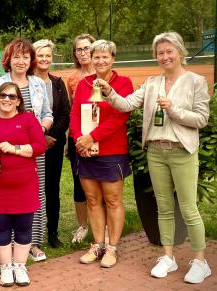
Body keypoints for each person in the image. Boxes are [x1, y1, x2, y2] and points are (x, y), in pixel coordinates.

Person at [98, 32, 211, 283]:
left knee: (189, 208)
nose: (165, 56)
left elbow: (201, 119)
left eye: (169, 51)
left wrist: (174, 110)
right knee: (164, 207)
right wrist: (109, 92)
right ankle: (168, 257)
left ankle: (201, 261)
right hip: (156, 152)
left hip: (182, 151)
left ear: (180, 52)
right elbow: (126, 104)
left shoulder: (196, 82)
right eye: (160, 53)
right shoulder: (151, 83)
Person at [0, 38, 53, 262]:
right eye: (16, 57)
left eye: (25, 57)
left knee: (35, 194)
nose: (21, 61)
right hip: (2, 151)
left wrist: (39, 129)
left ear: (30, 60)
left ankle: (31, 243)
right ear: (9, 60)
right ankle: (9, 243)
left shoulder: (38, 83)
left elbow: (48, 114)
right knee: (6, 197)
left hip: (31, 149)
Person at [0, 82, 46, 286]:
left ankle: (20, 266)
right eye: (3, 96)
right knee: (1, 227)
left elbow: (40, 146)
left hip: (25, 185)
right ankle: (6, 267)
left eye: (12, 97)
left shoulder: (28, 119)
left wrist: (15, 148)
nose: (7, 99)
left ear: (18, 101)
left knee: (24, 227)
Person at [71, 40, 133, 268]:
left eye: (105, 57)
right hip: (86, 150)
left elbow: (120, 116)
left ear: (113, 59)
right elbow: (75, 114)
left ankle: (112, 248)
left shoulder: (123, 83)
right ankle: (97, 245)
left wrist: (92, 137)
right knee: (93, 200)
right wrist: (80, 139)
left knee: (113, 199)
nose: (100, 61)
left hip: (111, 151)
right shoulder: (84, 84)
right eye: (96, 56)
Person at [32, 39, 70, 248]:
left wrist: (50, 135)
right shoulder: (26, 82)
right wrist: (39, 137)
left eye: (48, 55)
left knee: (52, 189)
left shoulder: (57, 83)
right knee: (33, 188)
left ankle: (52, 232)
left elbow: (65, 113)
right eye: (40, 55)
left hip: (53, 144)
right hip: (31, 145)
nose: (45, 59)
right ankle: (31, 233)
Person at [66, 34, 96, 244]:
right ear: (75, 53)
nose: (83, 52)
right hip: (77, 137)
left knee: (100, 183)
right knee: (79, 183)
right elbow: (71, 111)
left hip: (100, 137)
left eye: (87, 48)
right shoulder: (72, 79)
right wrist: (75, 138)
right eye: (79, 49)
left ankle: (101, 226)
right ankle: (82, 225)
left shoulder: (103, 74)